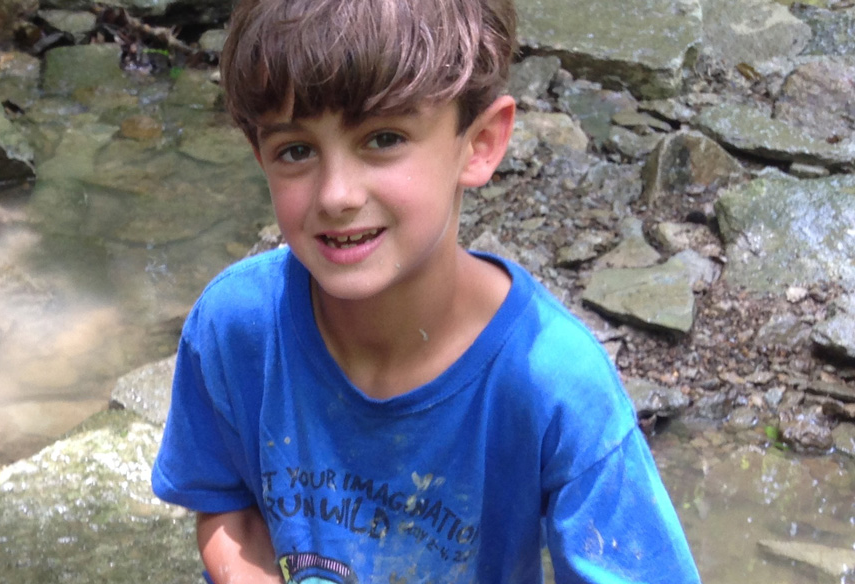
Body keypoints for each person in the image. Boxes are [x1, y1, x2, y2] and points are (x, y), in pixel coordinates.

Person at [150, 0, 701, 582]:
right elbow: (222, 503)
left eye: (383, 138)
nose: (336, 194)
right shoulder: (235, 329)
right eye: (296, 150)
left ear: (481, 142)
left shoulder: (554, 386)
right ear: (259, 155)